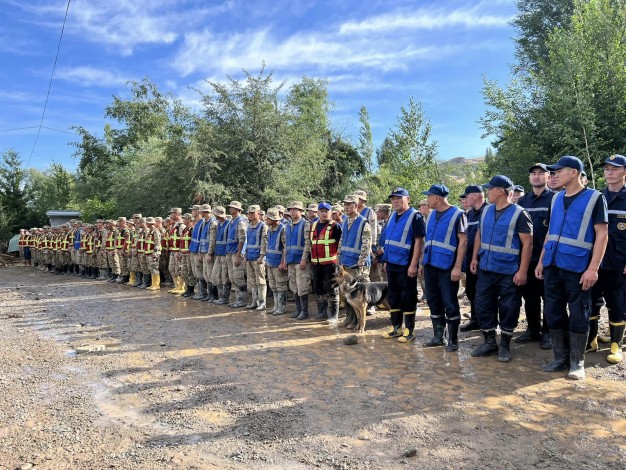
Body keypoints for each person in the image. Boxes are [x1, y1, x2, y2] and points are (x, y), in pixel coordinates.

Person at [536, 156, 608, 380]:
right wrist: (541, 260)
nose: (554, 175)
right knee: (552, 311)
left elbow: (602, 234)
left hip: (578, 267)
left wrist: (593, 269)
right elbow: (550, 233)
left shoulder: (595, 198)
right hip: (552, 265)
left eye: (559, 171)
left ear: (575, 172)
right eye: (553, 171)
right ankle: (560, 358)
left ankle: (577, 362)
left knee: (579, 313)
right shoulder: (556, 199)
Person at [470, 175, 533, 363]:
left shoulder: (519, 213)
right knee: (482, 305)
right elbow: (479, 235)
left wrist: (522, 271)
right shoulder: (486, 211)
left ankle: (505, 344)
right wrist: (474, 257)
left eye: (490, 189)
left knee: (509, 307)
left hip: (508, 270)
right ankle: (489, 342)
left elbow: (528, 244)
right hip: (486, 269)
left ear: (500, 191)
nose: (487, 192)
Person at [420, 184, 467, 351]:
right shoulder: (431, 215)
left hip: (447, 267)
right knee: (433, 301)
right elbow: (428, 242)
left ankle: (453, 340)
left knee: (450, 302)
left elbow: (463, 242)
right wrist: (422, 263)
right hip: (430, 265)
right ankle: (438, 336)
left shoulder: (458, 215)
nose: (427, 199)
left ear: (437, 198)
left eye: (429, 196)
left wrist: (457, 267)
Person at [589, 155, 626, 364]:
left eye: (615, 168)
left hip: (619, 263)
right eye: (607, 168)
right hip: (595, 261)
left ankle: (615, 344)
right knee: (592, 302)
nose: (610, 172)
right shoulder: (597, 197)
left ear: (624, 172)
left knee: (617, 303)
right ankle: (592, 340)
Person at [516, 163, 554, 348]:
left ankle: (548, 333)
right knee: (529, 297)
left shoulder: (556, 199)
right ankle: (532, 330)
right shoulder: (523, 202)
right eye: (533, 174)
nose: (536, 177)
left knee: (549, 297)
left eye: (541, 173)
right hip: (527, 259)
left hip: (547, 258)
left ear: (548, 177)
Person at [380, 188, 426, 342]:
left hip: (406, 265)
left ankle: (409, 329)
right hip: (392, 263)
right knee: (394, 296)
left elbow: (419, 242)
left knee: (408, 296)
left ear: (408, 199)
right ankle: (396, 327)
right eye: (393, 199)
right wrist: (386, 260)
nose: (395, 201)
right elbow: (388, 241)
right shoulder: (393, 215)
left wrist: (414, 265)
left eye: (399, 198)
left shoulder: (415, 216)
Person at [338, 194, 372, 329]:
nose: (346, 207)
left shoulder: (364, 222)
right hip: (346, 263)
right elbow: (342, 240)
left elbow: (366, 244)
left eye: (349, 204)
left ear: (356, 206)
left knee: (357, 295)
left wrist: (362, 261)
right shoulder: (345, 221)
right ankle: (349, 318)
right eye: (345, 204)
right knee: (346, 293)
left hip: (357, 265)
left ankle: (358, 322)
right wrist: (339, 257)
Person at [310, 202, 342, 322]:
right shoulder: (313, 225)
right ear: (318, 212)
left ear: (330, 212)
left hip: (330, 264)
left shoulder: (335, 226)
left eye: (326, 211)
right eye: (321, 211)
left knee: (332, 288)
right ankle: (322, 312)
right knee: (318, 288)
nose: (324, 213)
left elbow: (340, 244)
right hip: (316, 263)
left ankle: (334, 315)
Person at [281, 201, 312, 320]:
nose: (292, 211)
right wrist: (284, 260)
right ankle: (298, 309)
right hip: (291, 259)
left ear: (301, 211)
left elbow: (307, 243)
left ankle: (304, 311)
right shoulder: (287, 226)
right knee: (293, 285)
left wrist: (304, 259)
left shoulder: (305, 224)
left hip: (300, 260)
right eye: (291, 209)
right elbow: (285, 245)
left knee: (302, 285)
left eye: (295, 209)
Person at [264, 208, 289, 315]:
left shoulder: (282, 229)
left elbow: (285, 247)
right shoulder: (270, 229)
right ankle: (275, 306)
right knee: (273, 285)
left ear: (274, 219)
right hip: (270, 261)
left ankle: (281, 307)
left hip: (278, 262)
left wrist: (283, 262)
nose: (266, 220)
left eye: (268, 218)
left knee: (281, 285)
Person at [245, 205, 269, 310]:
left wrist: (262, 256)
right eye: (249, 213)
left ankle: (262, 303)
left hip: (258, 258)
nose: (250, 215)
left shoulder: (263, 226)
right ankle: (255, 301)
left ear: (258, 214)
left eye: (252, 213)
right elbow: (247, 242)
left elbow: (265, 242)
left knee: (261, 281)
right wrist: (245, 254)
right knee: (252, 281)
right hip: (249, 257)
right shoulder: (249, 226)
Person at [226, 201, 248, 308]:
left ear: (238, 210)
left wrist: (239, 255)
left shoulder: (241, 222)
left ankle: (242, 300)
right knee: (232, 277)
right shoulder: (232, 221)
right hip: (230, 251)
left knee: (238, 276)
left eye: (232, 208)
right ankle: (237, 299)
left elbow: (242, 239)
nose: (230, 209)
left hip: (236, 252)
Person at [211, 207, 232, 305]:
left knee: (225, 276)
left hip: (225, 254)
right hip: (218, 253)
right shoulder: (218, 224)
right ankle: (220, 296)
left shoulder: (229, 223)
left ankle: (225, 297)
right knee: (215, 276)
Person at [198, 204, 218, 301]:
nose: (200, 213)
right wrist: (201, 252)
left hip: (209, 252)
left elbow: (212, 240)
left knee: (210, 274)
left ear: (205, 212)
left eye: (201, 211)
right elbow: (202, 238)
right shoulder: (204, 223)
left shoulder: (212, 223)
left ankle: (214, 295)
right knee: (206, 274)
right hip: (204, 251)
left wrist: (209, 253)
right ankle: (209, 294)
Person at [370, 204, 390, 283]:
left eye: (378, 212)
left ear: (383, 212)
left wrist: (383, 249)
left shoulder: (390, 224)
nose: (377, 214)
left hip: (388, 256)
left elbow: (391, 240)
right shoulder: (385, 223)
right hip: (382, 257)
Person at [179, 213, 196, 297]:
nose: (183, 220)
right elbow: (182, 242)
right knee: (184, 271)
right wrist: (180, 252)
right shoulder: (184, 229)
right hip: (184, 254)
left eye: (185, 218)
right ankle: (187, 289)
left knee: (190, 272)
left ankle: (191, 290)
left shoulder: (192, 229)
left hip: (189, 254)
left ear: (189, 219)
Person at [143, 217, 162, 291]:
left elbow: (157, 243)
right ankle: (153, 284)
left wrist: (155, 252)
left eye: (147, 223)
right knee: (151, 268)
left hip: (153, 253)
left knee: (155, 268)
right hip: (148, 253)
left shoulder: (155, 231)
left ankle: (156, 284)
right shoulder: (149, 231)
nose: (146, 224)